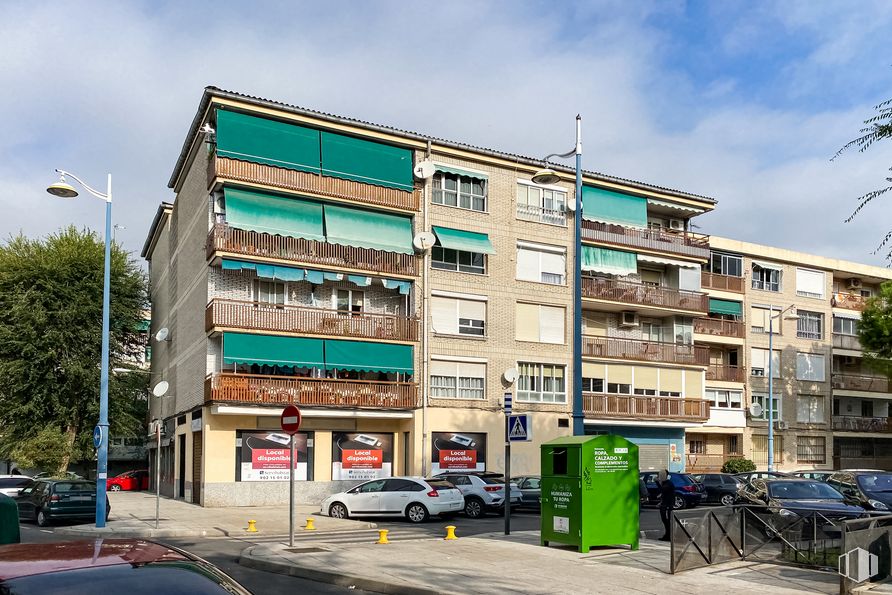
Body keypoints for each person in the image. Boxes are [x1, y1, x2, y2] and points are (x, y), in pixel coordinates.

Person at [658, 469, 675, 541]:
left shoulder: (668, 483)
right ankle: (667, 535)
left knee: (667, 521)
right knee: (665, 520)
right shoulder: (665, 483)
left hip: (668, 505)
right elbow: (664, 494)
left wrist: (657, 482)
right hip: (665, 504)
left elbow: (663, 490)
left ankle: (668, 536)